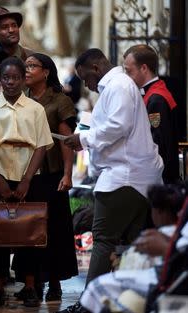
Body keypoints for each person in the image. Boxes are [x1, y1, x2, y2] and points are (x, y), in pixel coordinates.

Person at [60, 48, 164, 313]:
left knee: (104, 239)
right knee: (129, 244)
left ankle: (88, 305)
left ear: (95, 68)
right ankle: (124, 301)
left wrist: (82, 139)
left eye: (86, 79)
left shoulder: (117, 86)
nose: (86, 85)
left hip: (124, 177)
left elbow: (117, 126)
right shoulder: (120, 86)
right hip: (135, 177)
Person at [0, 57, 53, 308]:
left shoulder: (35, 109)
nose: (11, 82)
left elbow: (42, 146)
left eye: (16, 78)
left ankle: (30, 285)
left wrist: (26, 180)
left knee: (29, 229)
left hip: (28, 173)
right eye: (6, 78)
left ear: (24, 80)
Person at [18, 52, 78, 302]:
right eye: (26, 65)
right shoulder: (21, 98)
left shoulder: (59, 100)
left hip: (51, 173)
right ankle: (31, 282)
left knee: (54, 228)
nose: (28, 69)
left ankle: (54, 281)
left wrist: (67, 173)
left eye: (33, 66)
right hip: (25, 172)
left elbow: (66, 141)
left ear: (46, 72)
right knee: (28, 228)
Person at [80, 183, 186, 313]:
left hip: (172, 280)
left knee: (96, 287)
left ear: (159, 212)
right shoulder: (166, 232)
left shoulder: (165, 235)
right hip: (171, 273)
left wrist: (166, 247)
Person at [123, 44, 180, 184]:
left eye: (129, 71)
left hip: (160, 177)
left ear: (144, 68)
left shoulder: (157, 99)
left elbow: (157, 142)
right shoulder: (154, 92)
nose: (126, 77)